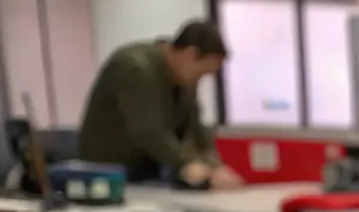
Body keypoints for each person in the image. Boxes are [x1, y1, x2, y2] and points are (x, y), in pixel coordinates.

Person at [79, 19, 243, 189]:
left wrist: (216, 166)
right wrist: (186, 164)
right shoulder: (135, 68)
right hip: (106, 175)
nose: (199, 80)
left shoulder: (182, 77)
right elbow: (148, 131)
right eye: (201, 73)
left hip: (146, 171)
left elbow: (196, 125)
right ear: (190, 54)